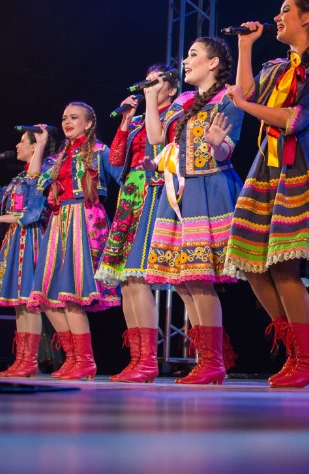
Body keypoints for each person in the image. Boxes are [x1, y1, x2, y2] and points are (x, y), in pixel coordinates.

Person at [223, 0, 309, 389]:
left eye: (286, 11)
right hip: (268, 161)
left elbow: (293, 119)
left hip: (301, 158)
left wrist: (245, 106)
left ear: (307, 18)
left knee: (283, 266)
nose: (278, 17)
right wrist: (245, 47)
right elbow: (248, 94)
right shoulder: (278, 67)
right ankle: (296, 354)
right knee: (252, 264)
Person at [144, 37, 244, 385]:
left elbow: (226, 150)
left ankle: (213, 361)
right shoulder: (183, 101)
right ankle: (205, 359)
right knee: (183, 282)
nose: (185, 61)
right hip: (180, 193)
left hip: (209, 189)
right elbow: (157, 139)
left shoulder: (228, 97)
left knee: (200, 279)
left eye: (193, 55)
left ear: (213, 63)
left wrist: (217, 145)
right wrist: (149, 98)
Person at [95, 65, 179, 383]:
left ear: (171, 89)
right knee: (127, 280)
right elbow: (116, 160)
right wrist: (126, 120)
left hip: (154, 191)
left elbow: (169, 153)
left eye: (156, 80)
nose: (149, 84)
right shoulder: (138, 121)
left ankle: (148, 361)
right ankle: (137, 359)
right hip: (130, 194)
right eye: (148, 79)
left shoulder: (173, 114)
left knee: (140, 276)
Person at [27, 102, 123, 380]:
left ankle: (85, 361)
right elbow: (34, 180)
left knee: (72, 296)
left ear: (89, 123)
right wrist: (41, 144)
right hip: (59, 222)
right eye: (64, 118)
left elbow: (124, 177)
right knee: (47, 296)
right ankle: (73, 358)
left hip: (84, 218)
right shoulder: (59, 156)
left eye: (74, 118)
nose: (67, 122)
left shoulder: (99, 151)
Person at [0, 129, 56, 377]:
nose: (17, 146)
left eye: (22, 142)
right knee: (19, 305)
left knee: (29, 302)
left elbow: (33, 213)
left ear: (35, 147)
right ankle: (22, 359)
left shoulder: (40, 176)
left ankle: (30, 360)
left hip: (31, 237)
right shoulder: (20, 178)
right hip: (15, 238)